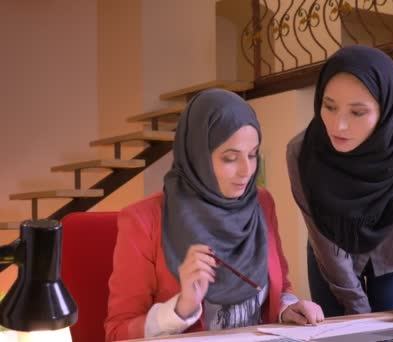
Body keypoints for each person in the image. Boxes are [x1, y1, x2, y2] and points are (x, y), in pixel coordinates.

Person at [105, 89, 323, 341]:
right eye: (230, 158)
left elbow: (280, 285)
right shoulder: (143, 220)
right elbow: (117, 332)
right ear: (197, 156)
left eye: (252, 155)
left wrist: (288, 307)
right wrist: (180, 308)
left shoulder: (261, 202)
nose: (247, 171)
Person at [286, 45, 393, 317]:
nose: (338, 125)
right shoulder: (302, 152)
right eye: (329, 107)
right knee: (343, 332)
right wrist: (358, 311)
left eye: (357, 112)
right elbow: (326, 244)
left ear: (385, 108)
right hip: (331, 252)